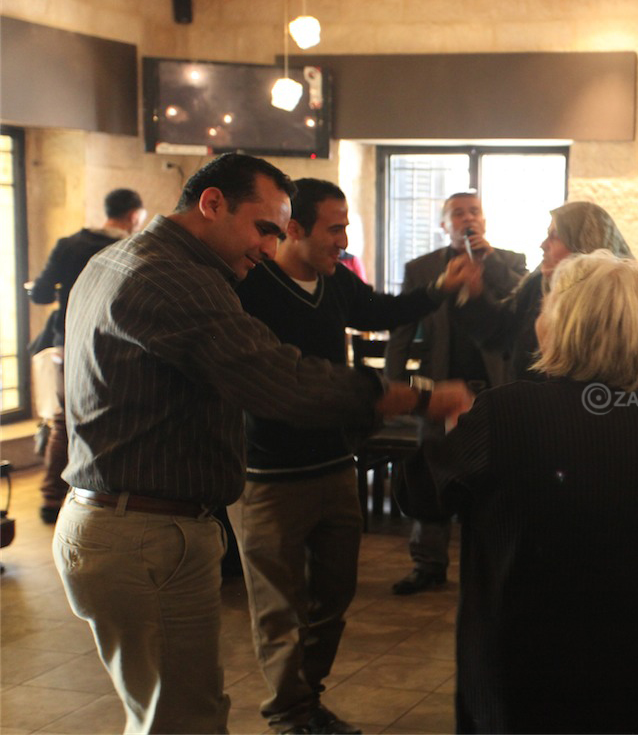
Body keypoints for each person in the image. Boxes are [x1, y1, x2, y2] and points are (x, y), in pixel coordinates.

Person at [51, 153, 443, 734]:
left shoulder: (123, 258)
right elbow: (276, 378)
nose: (268, 247)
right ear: (212, 204)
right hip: (144, 533)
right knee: (185, 721)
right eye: (263, 228)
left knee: (173, 714)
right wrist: (405, 397)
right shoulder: (171, 278)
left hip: (130, 523)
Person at [428, 250, 638, 733]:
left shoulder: (508, 411)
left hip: (534, 656)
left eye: (546, 303)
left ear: (567, 325)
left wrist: (455, 426)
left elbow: (418, 493)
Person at [232, 178, 468, 734]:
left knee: (333, 598)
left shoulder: (334, 281)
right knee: (279, 609)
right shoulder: (254, 287)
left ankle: (307, 699)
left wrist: (442, 287)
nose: (343, 241)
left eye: (345, 228)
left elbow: (382, 310)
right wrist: (414, 398)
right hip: (270, 475)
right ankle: (291, 713)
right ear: (293, 228)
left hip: (334, 465)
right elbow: (287, 381)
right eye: (334, 229)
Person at [383, 191, 526, 595]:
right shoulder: (422, 268)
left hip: (497, 388)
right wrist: (393, 386)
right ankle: (427, 564)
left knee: (497, 477)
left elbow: (526, 305)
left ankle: (494, 564)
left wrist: (490, 261)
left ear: (484, 220)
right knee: (434, 471)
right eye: (458, 214)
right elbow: (402, 331)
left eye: (474, 212)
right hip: (440, 388)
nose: (467, 219)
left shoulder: (510, 262)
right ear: (444, 225)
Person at [27, 188, 147, 524]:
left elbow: (39, 294)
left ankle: (51, 498)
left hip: (68, 343)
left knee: (63, 422)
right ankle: (102, 494)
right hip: (118, 345)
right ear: (134, 216)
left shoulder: (68, 245)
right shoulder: (133, 247)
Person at [451, 200, 633, 381]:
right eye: (547, 235)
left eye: (555, 236)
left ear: (583, 244)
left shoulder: (615, 302)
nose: (543, 245)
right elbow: (500, 331)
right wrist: (475, 293)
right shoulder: (538, 285)